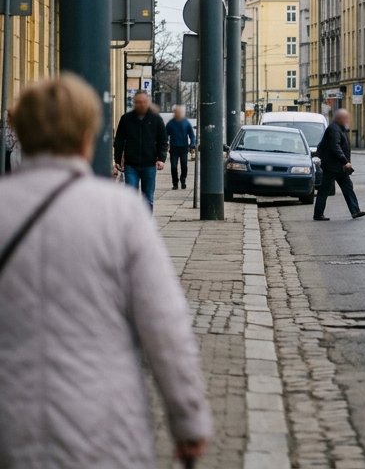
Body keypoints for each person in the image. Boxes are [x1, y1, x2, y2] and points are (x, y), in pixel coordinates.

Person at [0, 75, 211, 466]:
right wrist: (189, 421)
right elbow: (164, 327)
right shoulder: (120, 212)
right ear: (86, 136)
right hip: (104, 425)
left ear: (20, 133)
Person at [113, 90, 167, 208]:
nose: (141, 104)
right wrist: (117, 160)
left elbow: (163, 140)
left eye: (143, 102)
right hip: (131, 165)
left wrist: (161, 158)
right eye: (138, 102)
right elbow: (119, 140)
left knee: (148, 198)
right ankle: (132, 223)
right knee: (130, 197)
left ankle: (146, 223)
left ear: (148, 102)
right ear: (134, 103)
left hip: (149, 164)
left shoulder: (156, 119)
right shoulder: (126, 119)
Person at [314, 109, 365, 221]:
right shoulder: (334, 129)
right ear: (340, 119)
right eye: (346, 118)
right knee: (325, 189)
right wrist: (345, 161)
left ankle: (355, 211)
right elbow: (336, 147)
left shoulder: (339, 129)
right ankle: (318, 214)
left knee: (348, 187)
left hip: (339, 167)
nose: (348, 120)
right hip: (332, 166)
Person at [166, 106, 195, 190]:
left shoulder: (186, 123)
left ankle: (183, 181)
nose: (178, 114)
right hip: (174, 148)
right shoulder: (170, 123)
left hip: (183, 148)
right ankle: (175, 183)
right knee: (173, 167)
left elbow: (192, 135)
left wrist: (192, 144)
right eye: (176, 112)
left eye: (180, 112)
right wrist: (166, 144)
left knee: (184, 166)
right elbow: (165, 134)